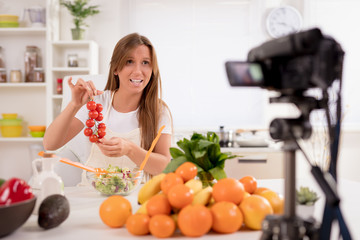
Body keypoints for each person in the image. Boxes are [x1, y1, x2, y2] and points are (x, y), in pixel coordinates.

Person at [43, 33, 173, 183]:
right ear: (116, 68)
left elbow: (164, 166)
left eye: (145, 62)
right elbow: (50, 144)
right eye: (129, 61)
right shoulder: (96, 103)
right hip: (93, 193)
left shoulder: (159, 110)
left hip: (135, 197)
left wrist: (130, 149)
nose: (138, 71)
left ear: (152, 70)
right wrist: (74, 105)